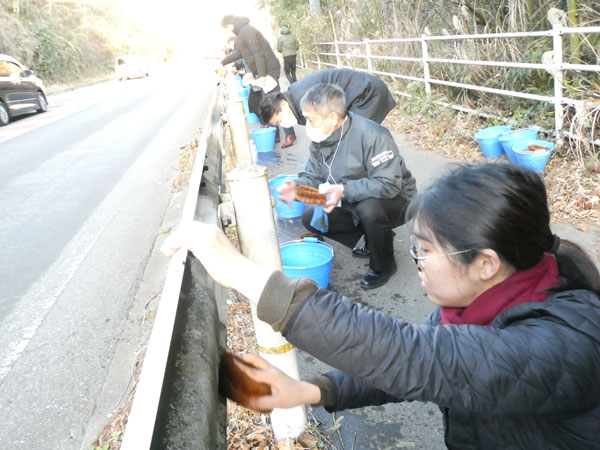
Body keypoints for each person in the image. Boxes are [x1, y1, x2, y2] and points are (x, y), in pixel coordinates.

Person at [162, 163, 600, 450]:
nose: (418, 264)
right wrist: (312, 390)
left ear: (486, 263)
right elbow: (409, 370)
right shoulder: (477, 304)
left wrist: (241, 273)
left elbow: (412, 357)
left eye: (425, 251)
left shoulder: (564, 343)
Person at [279, 83, 416, 289]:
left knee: (369, 209)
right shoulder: (321, 138)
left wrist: (343, 190)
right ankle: (372, 238)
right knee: (311, 218)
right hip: (348, 195)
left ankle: (384, 265)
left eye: (310, 120)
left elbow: (388, 184)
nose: (307, 125)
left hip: (397, 198)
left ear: (333, 118)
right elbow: (312, 175)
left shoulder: (373, 135)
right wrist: (296, 188)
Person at [220, 15, 296, 148]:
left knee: (276, 102)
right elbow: (239, 53)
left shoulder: (246, 30)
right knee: (268, 102)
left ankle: (290, 133)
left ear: (230, 25)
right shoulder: (241, 34)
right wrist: (223, 62)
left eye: (226, 28)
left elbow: (258, 53)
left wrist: (261, 75)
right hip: (264, 73)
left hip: (269, 71)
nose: (228, 31)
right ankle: (275, 133)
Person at [258, 68, 396, 130]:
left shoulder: (304, 100)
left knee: (356, 138)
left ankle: (389, 177)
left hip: (365, 93)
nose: (283, 124)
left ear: (282, 104)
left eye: (280, 120)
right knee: (355, 140)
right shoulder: (294, 98)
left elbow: (329, 125)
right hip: (359, 93)